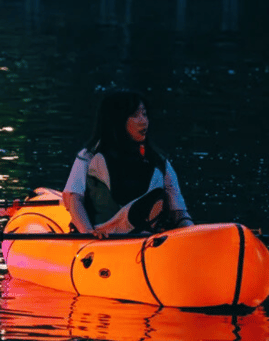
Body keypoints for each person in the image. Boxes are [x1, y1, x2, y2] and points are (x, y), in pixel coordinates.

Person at [62, 90, 194, 238]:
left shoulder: (159, 162)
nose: (144, 121)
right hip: (101, 238)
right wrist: (88, 233)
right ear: (117, 120)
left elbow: (178, 211)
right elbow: (74, 198)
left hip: (146, 238)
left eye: (144, 114)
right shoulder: (88, 157)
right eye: (135, 115)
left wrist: (192, 233)